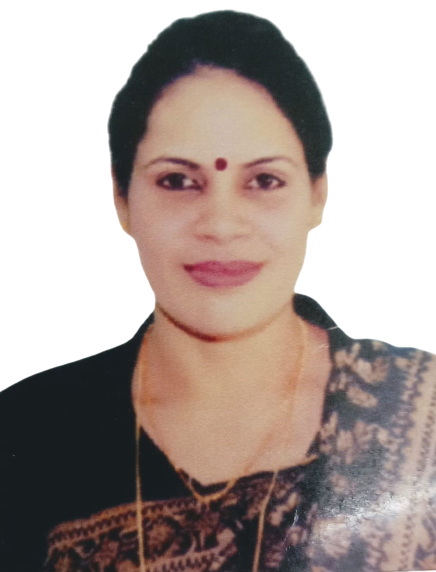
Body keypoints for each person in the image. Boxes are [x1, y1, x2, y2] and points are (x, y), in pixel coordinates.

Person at [1, 10, 435, 572]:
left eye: (264, 181)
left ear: (317, 195)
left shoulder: (422, 411)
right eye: (178, 181)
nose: (222, 225)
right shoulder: (27, 434)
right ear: (122, 199)